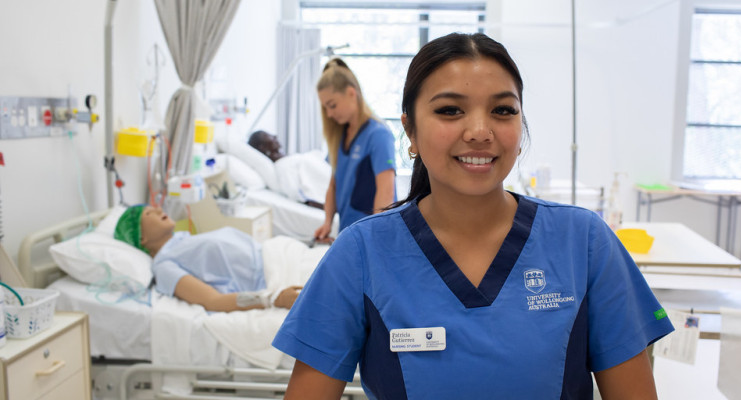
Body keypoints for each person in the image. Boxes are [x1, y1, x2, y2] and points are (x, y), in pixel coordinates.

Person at [272, 32, 674, 399]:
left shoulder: (583, 242)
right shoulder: (360, 253)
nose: (481, 131)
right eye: (450, 110)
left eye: (502, 110)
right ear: (410, 131)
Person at [114, 204, 302, 311]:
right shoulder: (164, 265)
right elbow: (213, 301)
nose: (158, 209)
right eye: (149, 213)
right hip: (274, 278)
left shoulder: (181, 240)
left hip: (281, 256)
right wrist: (273, 299)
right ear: (141, 238)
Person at [313, 58, 396, 242]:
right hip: (348, 234)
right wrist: (327, 222)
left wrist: (375, 237)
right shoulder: (340, 136)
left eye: (332, 105)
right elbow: (333, 186)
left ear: (352, 93)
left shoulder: (379, 135)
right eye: (325, 107)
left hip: (372, 234)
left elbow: (386, 191)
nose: (329, 114)